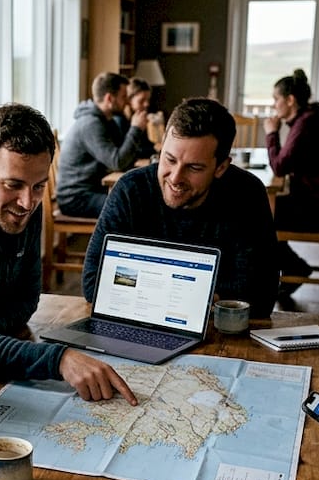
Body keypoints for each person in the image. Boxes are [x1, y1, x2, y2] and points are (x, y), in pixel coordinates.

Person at [0, 103, 137, 404]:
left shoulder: (23, 208)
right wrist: (58, 359)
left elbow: (27, 302)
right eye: (12, 185)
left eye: (39, 186)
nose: (28, 202)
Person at [81, 97, 279, 318]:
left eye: (193, 167)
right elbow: (93, 282)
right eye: (170, 160)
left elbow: (262, 297)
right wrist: (205, 293)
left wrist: (142, 284)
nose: (175, 178)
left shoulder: (247, 194)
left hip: (220, 332)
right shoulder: (130, 189)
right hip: (140, 323)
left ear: (221, 167)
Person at [263, 68, 319, 293]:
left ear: (290, 99)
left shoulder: (305, 125)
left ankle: (294, 267)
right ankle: (293, 267)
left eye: (276, 99)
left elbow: (279, 166)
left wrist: (271, 133)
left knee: (256, 216)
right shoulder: (307, 120)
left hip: (318, 210)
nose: (274, 105)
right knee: (261, 212)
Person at [56, 71, 147, 218]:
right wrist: (135, 129)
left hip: (94, 189)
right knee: (131, 206)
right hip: (76, 198)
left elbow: (124, 156)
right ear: (109, 98)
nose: (127, 102)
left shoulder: (107, 121)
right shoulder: (91, 124)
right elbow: (117, 162)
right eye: (124, 97)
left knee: (139, 197)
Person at [113, 76, 156, 160]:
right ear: (129, 100)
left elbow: (145, 144)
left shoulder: (139, 117)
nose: (147, 104)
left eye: (148, 100)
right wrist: (155, 149)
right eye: (142, 100)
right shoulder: (119, 121)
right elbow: (131, 152)